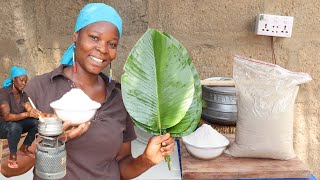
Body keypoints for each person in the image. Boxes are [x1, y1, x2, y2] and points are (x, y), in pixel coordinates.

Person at [21, 3, 175, 180]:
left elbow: (122, 165)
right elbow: (8, 168)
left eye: (112, 44)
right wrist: (51, 140)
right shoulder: (40, 89)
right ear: (76, 36)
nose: (103, 49)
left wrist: (147, 160)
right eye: (94, 37)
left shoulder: (119, 98)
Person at [0, 66, 40, 169]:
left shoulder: (23, 94)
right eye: (21, 80)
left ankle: (24, 147)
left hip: (17, 125)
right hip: (3, 127)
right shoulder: (4, 93)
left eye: (25, 81)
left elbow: (29, 108)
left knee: (36, 123)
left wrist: (35, 112)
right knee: (15, 126)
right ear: (13, 79)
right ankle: (13, 156)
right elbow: (7, 117)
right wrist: (28, 114)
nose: (24, 83)